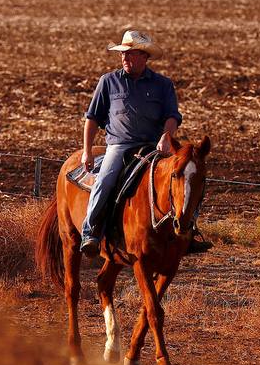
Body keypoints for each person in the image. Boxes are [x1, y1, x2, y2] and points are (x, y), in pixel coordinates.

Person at [79, 29, 211, 256]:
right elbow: (92, 118)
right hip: (119, 145)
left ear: (144, 57)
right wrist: (87, 151)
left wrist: (165, 137)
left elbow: (172, 116)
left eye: (131, 54)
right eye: (123, 54)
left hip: (153, 145)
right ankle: (90, 233)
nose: (125, 58)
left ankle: (188, 232)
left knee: (182, 181)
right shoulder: (108, 82)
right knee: (105, 180)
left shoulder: (163, 84)